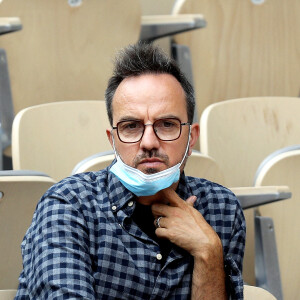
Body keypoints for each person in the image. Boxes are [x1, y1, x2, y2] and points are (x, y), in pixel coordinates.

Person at [15, 43, 246, 299]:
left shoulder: (222, 209)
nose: (149, 142)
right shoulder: (68, 205)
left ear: (191, 138)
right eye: (131, 126)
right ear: (112, 139)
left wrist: (208, 252)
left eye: (167, 124)